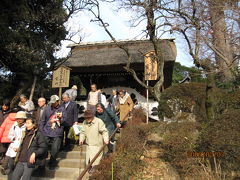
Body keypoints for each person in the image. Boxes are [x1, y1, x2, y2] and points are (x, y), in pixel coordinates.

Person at [40, 95, 66, 170]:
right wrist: (42, 130)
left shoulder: (62, 109)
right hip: (47, 131)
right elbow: (42, 120)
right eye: (52, 102)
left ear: (58, 102)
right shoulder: (47, 108)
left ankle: (52, 162)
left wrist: (60, 118)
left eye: (54, 102)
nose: (53, 104)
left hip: (57, 131)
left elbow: (64, 120)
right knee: (43, 148)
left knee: (55, 149)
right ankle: (41, 164)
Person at [1, 112, 26, 177]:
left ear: (24, 119)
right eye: (17, 118)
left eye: (20, 118)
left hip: (21, 148)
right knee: (11, 163)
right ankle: (9, 173)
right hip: (13, 146)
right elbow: (10, 134)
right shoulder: (14, 125)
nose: (19, 120)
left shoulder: (26, 126)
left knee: (18, 163)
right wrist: (13, 138)